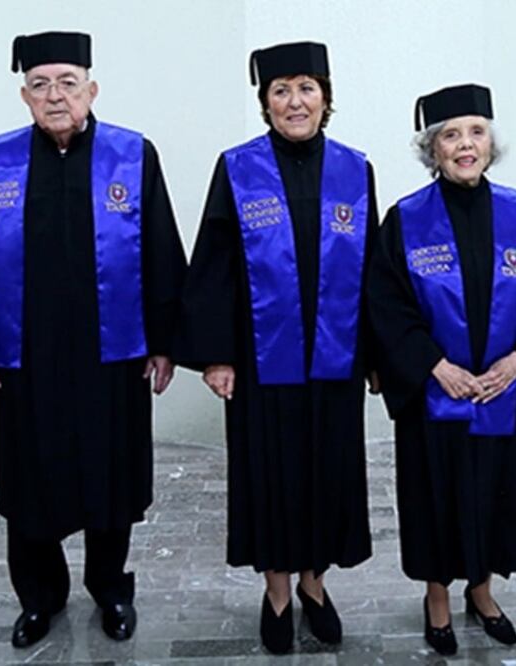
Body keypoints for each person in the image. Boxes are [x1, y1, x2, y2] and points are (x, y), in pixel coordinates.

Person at [0, 31, 187, 647]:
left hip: (114, 352)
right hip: (25, 354)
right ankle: (40, 598)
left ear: (91, 89)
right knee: (31, 480)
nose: (55, 96)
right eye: (40, 84)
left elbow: (161, 248)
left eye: (67, 83)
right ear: (24, 95)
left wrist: (166, 342)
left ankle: (111, 589)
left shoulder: (132, 155)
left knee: (111, 476)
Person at [173, 41, 378, 654]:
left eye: (307, 88)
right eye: (281, 90)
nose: (295, 101)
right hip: (260, 359)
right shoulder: (238, 168)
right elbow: (213, 265)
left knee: (326, 473)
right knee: (271, 476)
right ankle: (278, 593)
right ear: (265, 102)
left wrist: (374, 356)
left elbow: (373, 269)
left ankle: (315, 586)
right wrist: (217, 355)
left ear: (325, 97)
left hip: (335, 360)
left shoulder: (355, 169)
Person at [368, 84, 516, 655]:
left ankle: (482, 592)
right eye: (451, 136)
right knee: (435, 494)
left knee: (495, 494)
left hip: (503, 390)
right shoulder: (405, 220)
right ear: (432, 149)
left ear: (491, 143)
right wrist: (435, 366)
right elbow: (386, 307)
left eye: (476, 132)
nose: (465, 145)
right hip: (435, 394)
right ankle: (437, 596)